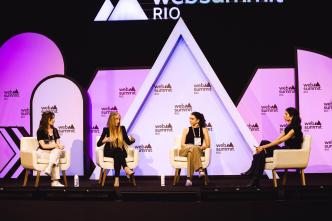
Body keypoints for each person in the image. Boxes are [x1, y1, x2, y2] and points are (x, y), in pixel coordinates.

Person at [242, 107, 303, 187]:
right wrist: (263, 147)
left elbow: (280, 141)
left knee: (263, 148)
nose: (284, 115)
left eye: (286, 114)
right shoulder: (288, 127)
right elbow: (277, 140)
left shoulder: (295, 128)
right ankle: (255, 178)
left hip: (290, 152)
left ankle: (253, 172)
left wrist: (263, 147)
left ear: (291, 117)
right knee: (263, 146)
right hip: (285, 150)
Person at [97, 111, 135, 187]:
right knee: (118, 151)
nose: (118, 121)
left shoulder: (122, 129)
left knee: (118, 152)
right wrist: (106, 140)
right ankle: (126, 168)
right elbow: (98, 144)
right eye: (116, 119)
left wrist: (133, 140)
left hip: (120, 152)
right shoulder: (106, 130)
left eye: (119, 119)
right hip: (109, 152)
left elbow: (128, 142)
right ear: (112, 120)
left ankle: (117, 179)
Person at [180, 111, 211, 186]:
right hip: (184, 151)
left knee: (191, 153)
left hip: (197, 151)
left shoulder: (204, 129)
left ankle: (189, 180)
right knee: (193, 148)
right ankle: (200, 170)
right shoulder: (186, 129)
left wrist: (201, 147)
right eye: (189, 119)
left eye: (192, 119)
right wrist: (193, 146)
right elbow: (182, 145)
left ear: (198, 120)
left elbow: (208, 144)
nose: (190, 120)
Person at [36, 111, 66, 187]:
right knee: (56, 156)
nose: (54, 120)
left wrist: (60, 146)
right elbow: (43, 146)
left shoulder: (55, 130)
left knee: (57, 152)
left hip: (53, 152)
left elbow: (58, 143)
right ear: (47, 119)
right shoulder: (40, 131)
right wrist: (55, 145)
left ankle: (49, 167)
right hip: (43, 152)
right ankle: (55, 182)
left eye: (53, 118)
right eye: (52, 118)